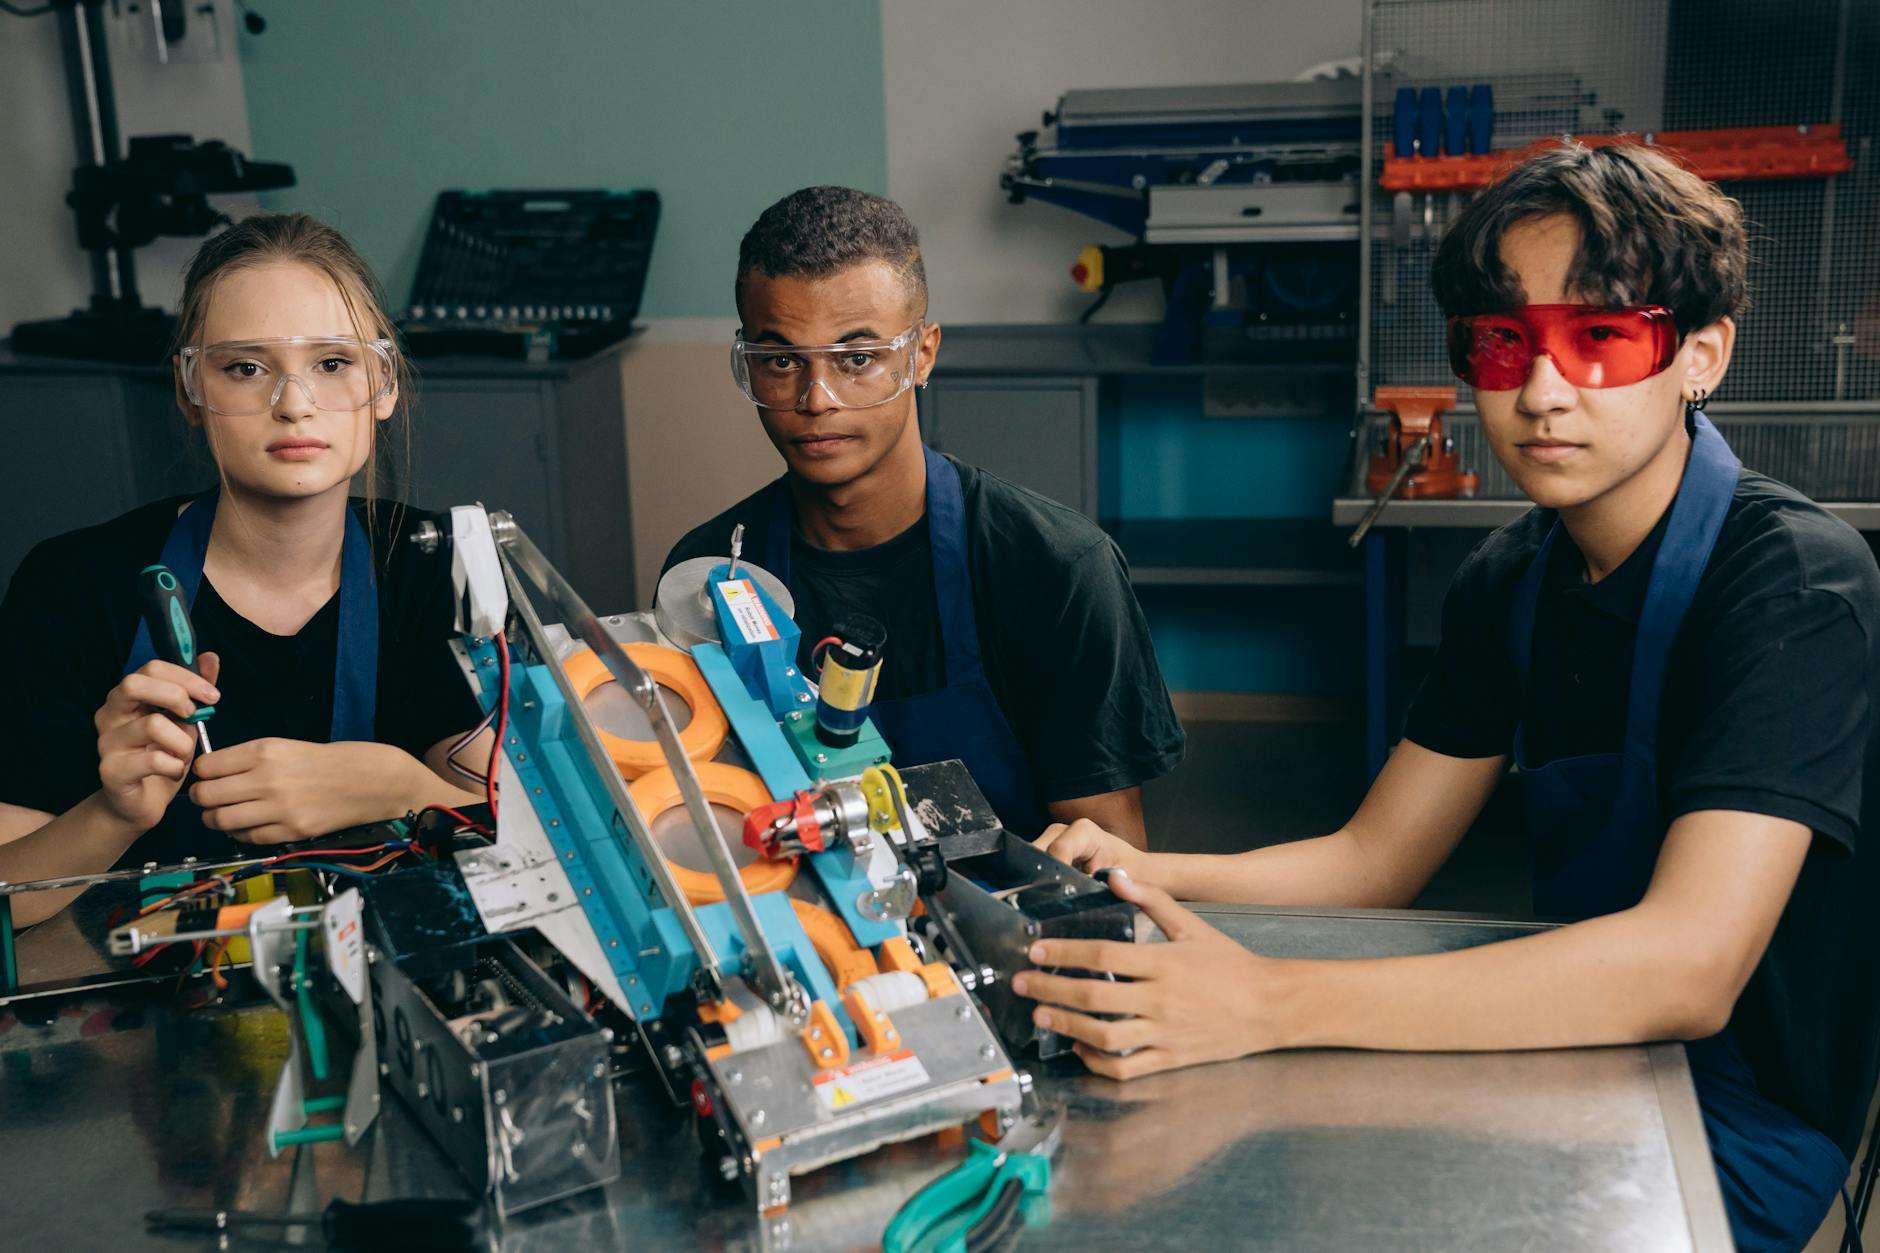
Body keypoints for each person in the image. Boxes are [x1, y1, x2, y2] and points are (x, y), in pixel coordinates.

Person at [1023, 145, 1880, 1253]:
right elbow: (1371, 860)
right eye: (1503, 342)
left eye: (1601, 339)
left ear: (1700, 355)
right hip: (1575, 1030)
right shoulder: (1510, 581)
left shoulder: (1792, 583)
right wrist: (1142, 867)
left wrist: (1265, 1002)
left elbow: (1685, 966)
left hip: (1743, 1114)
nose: (1539, 391)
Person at [0, 213, 490, 925]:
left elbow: (547, 849)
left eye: (332, 363)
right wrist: (112, 813)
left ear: (383, 384)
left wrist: (400, 786)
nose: (293, 404)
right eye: (245, 368)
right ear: (190, 390)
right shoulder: (72, 587)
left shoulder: (437, 565)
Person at [664, 187, 1183, 844]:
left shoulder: (1056, 569)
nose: (816, 399)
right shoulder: (709, 574)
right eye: (780, 360)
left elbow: (1107, 858)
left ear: (922, 355)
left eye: (857, 358)